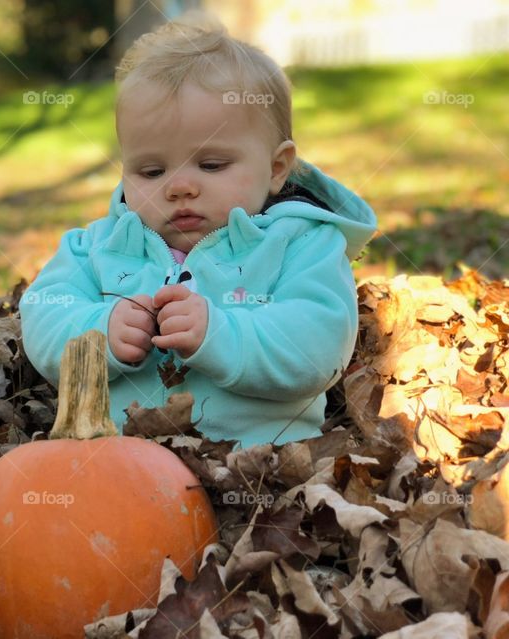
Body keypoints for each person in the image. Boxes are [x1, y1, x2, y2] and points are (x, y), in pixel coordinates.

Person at [19, 12, 378, 448]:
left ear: (276, 168)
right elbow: (44, 312)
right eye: (151, 171)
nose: (179, 187)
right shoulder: (97, 247)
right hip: (119, 462)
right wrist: (99, 332)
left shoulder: (302, 243)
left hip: (263, 463)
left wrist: (220, 334)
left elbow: (318, 345)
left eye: (211, 165)